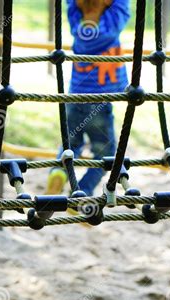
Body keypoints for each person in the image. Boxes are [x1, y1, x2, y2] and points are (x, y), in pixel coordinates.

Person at [46, 0, 130, 196]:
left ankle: (58, 172)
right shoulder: (110, 25)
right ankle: (83, 191)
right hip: (99, 102)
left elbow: (70, 4)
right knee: (107, 154)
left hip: (75, 97)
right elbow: (122, 7)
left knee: (71, 145)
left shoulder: (77, 25)